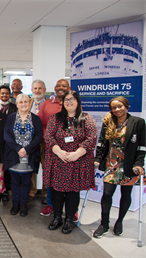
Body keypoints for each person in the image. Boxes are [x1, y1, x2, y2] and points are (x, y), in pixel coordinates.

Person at [43, 90, 97, 234]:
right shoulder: (55, 118)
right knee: (56, 192)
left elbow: (91, 138)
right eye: (66, 99)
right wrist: (59, 152)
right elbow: (48, 136)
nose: (69, 102)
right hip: (57, 161)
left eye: (72, 99)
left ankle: (69, 220)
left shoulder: (87, 118)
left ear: (78, 101)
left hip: (77, 162)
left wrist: (77, 153)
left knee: (73, 193)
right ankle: (57, 217)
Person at [93, 97, 146, 238]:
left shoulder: (138, 122)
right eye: (114, 107)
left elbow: (142, 146)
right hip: (112, 164)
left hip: (129, 165)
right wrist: (97, 159)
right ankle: (104, 224)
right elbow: (101, 143)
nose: (117, 110)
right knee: (107, 194)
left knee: (126, 194)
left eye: (120, 106)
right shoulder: (109, 122)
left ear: (126, 106)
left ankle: (119, 221)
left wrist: (139, 163)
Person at [4, 94, 43, 217]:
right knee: (15, 182)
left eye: (26, 101)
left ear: (30, 102)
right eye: (20, 102)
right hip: (14, 156)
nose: (23, 104)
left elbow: (38, 136)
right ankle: (15, 204)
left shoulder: (35, 119)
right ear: (17, 104)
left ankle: (23, 205)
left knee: (26, 182)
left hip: (29, 156)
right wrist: (17, 149)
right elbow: (6, 135)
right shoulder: (10, 118)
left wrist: (27, 149)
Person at [38, 79, 70, 217]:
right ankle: (51, 205)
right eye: (58, 85)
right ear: (54, 88)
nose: (61, 88)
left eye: (64, 85)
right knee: (51, 178)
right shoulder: (46, 105)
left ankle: (71, 209)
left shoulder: (72, 104)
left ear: (68, 88)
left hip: (70, 150)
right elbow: (42, 126)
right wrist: (51, 142)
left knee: (70, 179)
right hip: (50, 148)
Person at [28, 79, 47, 202]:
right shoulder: (28, 103)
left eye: (40, 88)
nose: (37, 91)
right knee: (31, 167)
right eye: (35, 88)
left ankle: (46, 193)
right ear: (31, 90)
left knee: (47, 167)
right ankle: (31, 191)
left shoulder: (49, 104)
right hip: (31, 141)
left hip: (45, 141)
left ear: (44, 90)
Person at [0, 85, 17, 202]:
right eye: (2, 93)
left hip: (10, 141)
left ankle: (6, 190)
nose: (4, 95)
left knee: (8, 166)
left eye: (6, 93)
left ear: (9, 95)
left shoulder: (15, 107)